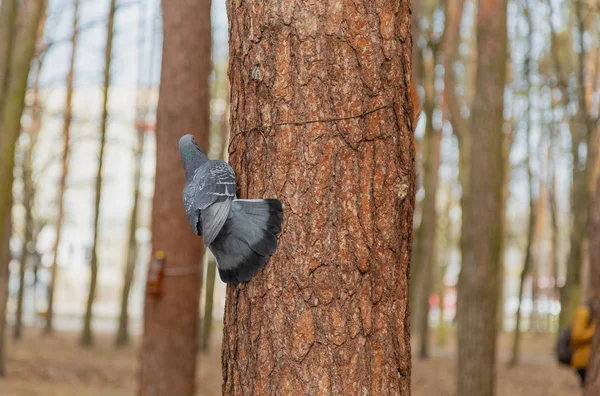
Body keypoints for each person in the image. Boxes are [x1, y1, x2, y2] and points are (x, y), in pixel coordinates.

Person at [571, 297, 597, 386]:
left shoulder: (593, 314)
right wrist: (594, 330)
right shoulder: (584, 312)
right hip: (582, 360)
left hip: (588, 359)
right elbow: (577, 335)